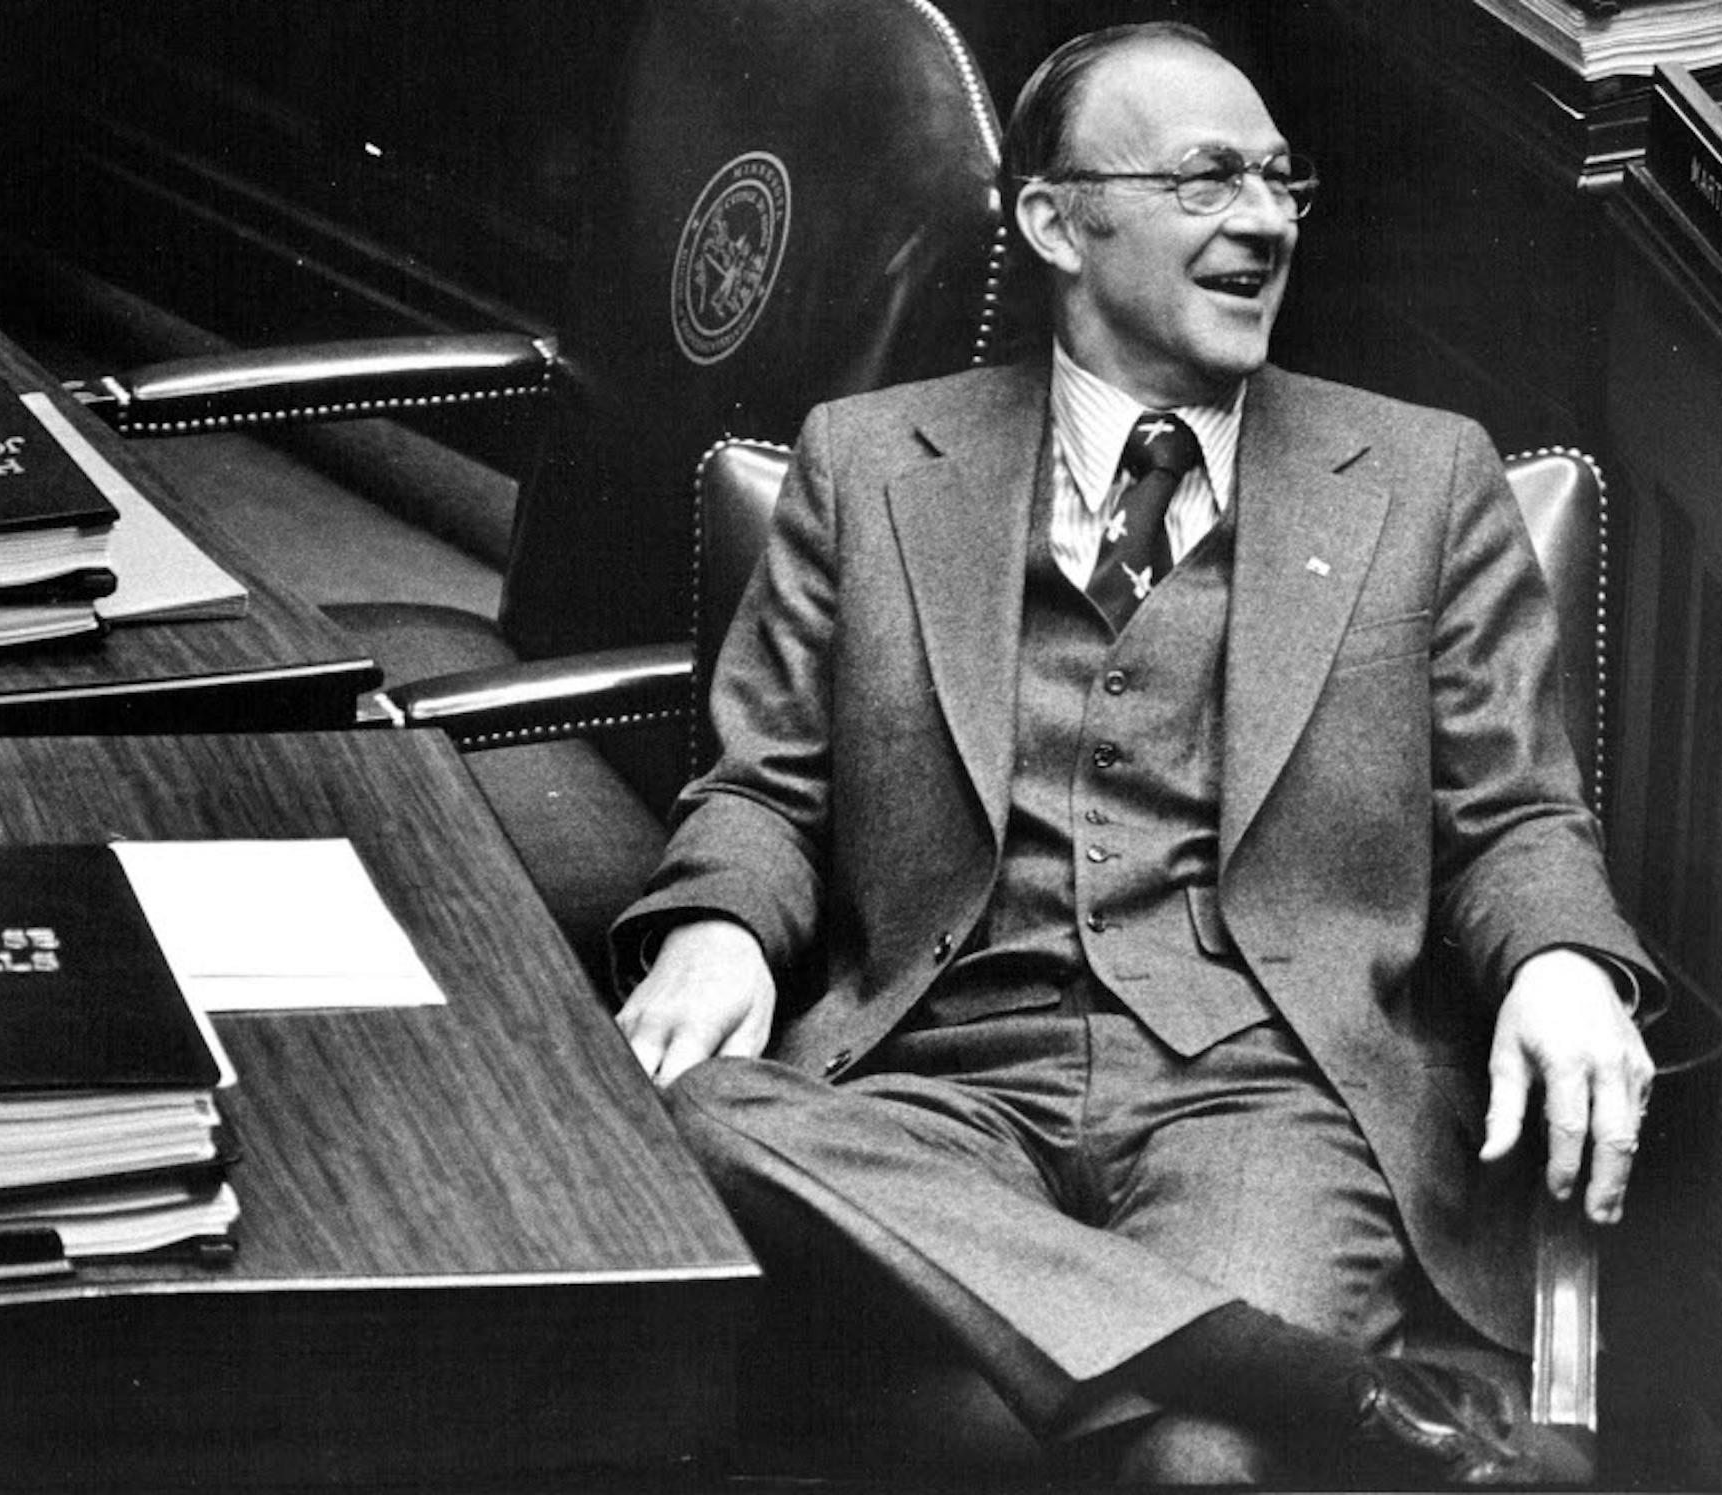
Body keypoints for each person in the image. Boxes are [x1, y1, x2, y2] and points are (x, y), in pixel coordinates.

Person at [612, 21, 1658, 1487]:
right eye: (1207, 179)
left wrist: (1561, 961)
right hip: (938, 1080)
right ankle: (1303, 1381)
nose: (1267, 220)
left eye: (1283, 180)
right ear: (1057, 221)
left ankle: (1185, 1371)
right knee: (699, 1109)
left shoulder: (1425, 478)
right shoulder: (867, 463)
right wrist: (717, 926)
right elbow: (766, 788)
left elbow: (1515, 813)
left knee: (1188, 1469)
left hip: (1267, 1095)